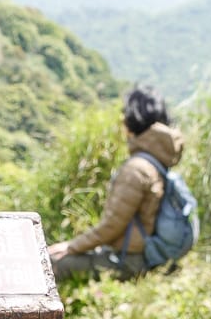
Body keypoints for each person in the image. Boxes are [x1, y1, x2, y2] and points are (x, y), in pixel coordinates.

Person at [48, 85, 184, 282]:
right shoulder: (158, 161)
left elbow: (112, 226)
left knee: (52, 263)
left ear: (132, 119)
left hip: (129, 261)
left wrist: (71, 247)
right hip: (146, 254)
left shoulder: (136, 169)